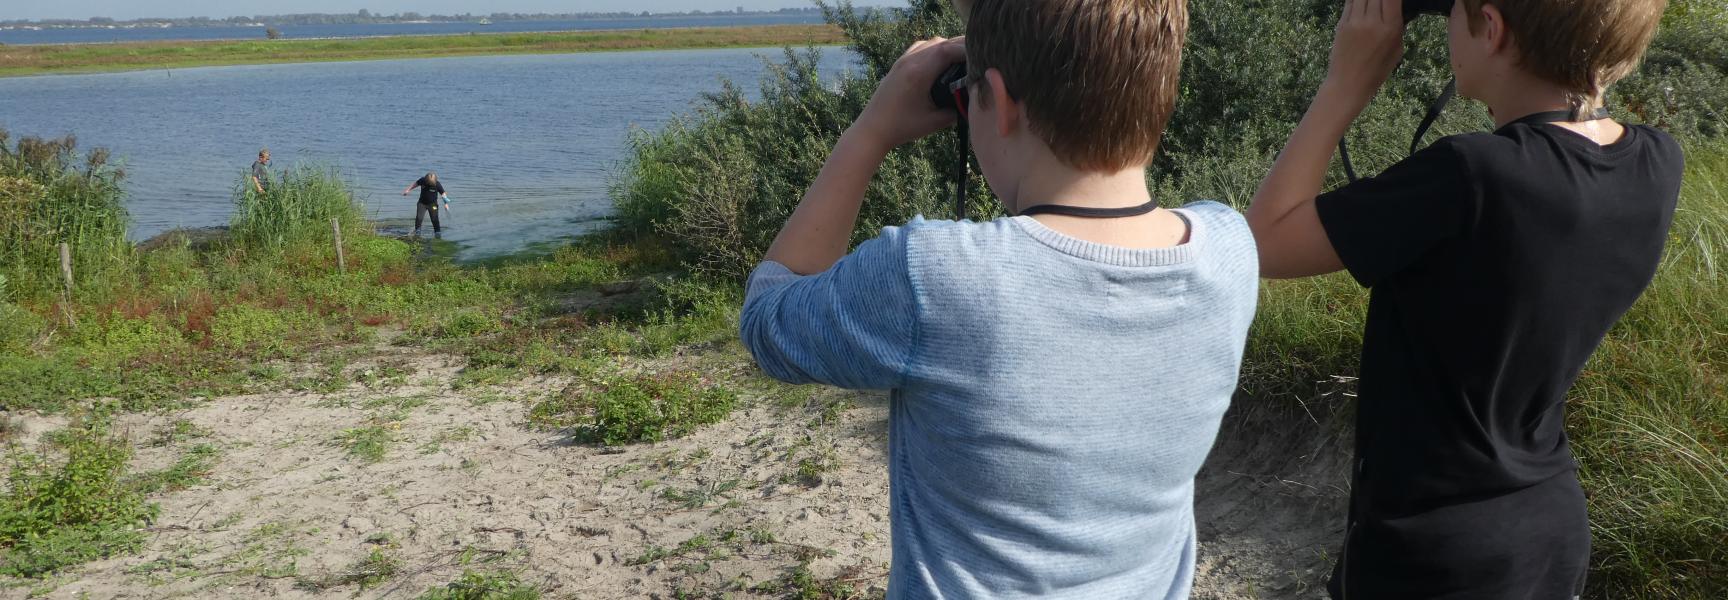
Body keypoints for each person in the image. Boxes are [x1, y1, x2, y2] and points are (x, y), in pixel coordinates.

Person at [737, 1, 1259, 597]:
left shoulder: (932, 276)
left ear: (1001, 102)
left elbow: (768, 320)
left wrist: (870, 132)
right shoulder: (1229, 249)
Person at [1244, 0, 1680, 597]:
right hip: (1547, 530)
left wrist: (1346, 82)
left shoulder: (1472, 174)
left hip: (1432, 549)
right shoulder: (1658, 163)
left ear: (1493, 29)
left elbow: (1262, 244)